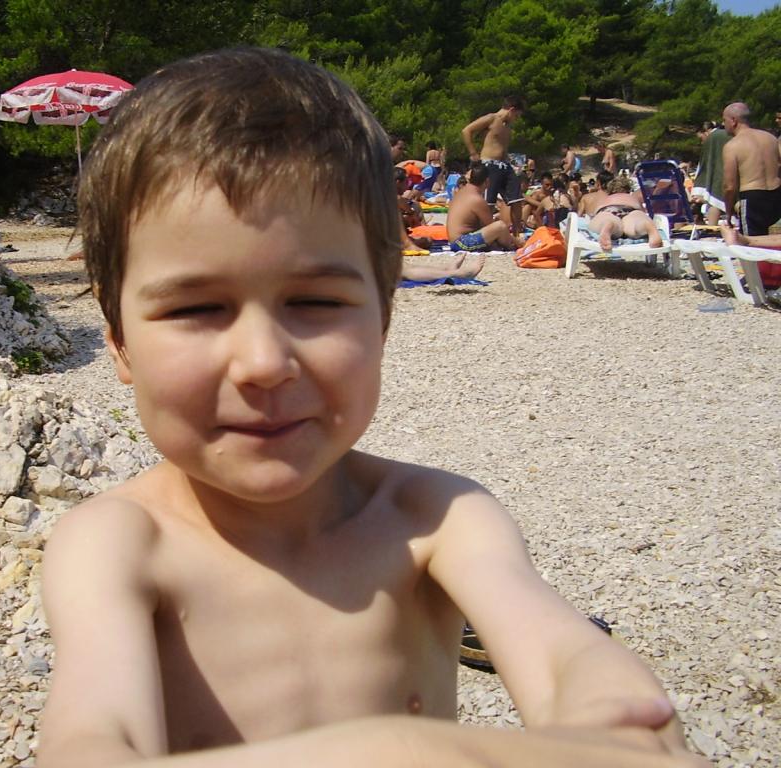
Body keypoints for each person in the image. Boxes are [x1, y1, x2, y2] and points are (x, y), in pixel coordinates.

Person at [45, 47, 706, 768]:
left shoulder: (437, 518)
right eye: (196, 308)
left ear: (382, 320)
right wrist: (403, 748)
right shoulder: (116, 547)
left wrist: (613, 713)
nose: (263, 362)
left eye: (316, 302)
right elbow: (91, 744)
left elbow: (562, 655)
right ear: (120, 342)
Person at [461, 95, 527, 235]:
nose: (516, 119)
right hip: (490, 164)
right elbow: (467, 130)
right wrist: (473, 153)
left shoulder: (507, 126)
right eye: (516, 115)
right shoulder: (491, 118)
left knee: (516, 199)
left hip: (505, 165)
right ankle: (486, 234)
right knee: (489, 203)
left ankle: (517, 233)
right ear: (511, 110)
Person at [721, 102, 781, 237]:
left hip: (753, 198)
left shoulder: (732, 146)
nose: (724, 124)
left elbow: (729, 187)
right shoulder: (771, 138)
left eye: (724, 120)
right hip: (776, 194)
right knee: (774, 242)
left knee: (751, 244)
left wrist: (728, 213)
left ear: (733, 121)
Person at [588, 176, 664, 252]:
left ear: (609, 191)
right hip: (631, 209)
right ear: (628, 190)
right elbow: (643, 211)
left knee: (606, 219)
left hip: (608, 209)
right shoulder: (631, 197)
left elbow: (594, 213)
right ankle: (646, 226)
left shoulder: (606, 198)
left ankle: (608, 225)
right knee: (636, 221)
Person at [692, 122, 730, 226]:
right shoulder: (722, 137)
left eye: (701, 138)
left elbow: (705, 165)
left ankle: (711, 228)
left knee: (714, 200)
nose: (702, 142)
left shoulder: (714, 139)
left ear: (706, 131)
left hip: (721, 177)